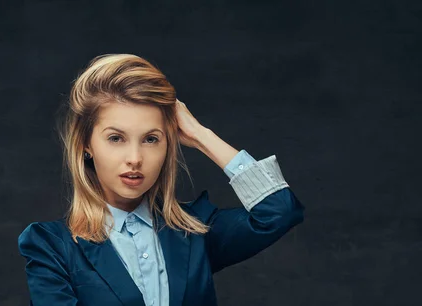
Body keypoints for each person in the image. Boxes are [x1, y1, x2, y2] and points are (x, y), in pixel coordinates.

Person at [17, 53, 305, 306]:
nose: (135, 158)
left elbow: (279, 211)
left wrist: (201, 135)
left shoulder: (193, 232)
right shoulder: (51, 245)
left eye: (151, 139)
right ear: (86, 145)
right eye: (116, 138)